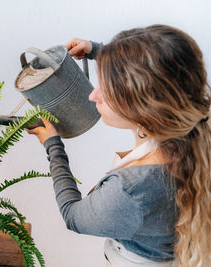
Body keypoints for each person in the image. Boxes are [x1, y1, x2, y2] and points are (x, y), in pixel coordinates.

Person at [27, 24, 211, 267]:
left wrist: (53, 145)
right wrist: (98, 52)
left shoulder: (131, 191)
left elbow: (73, 216)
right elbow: (160, 69)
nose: (94, 95)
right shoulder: (189, 129)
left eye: (106, 90)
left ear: (141, 105)